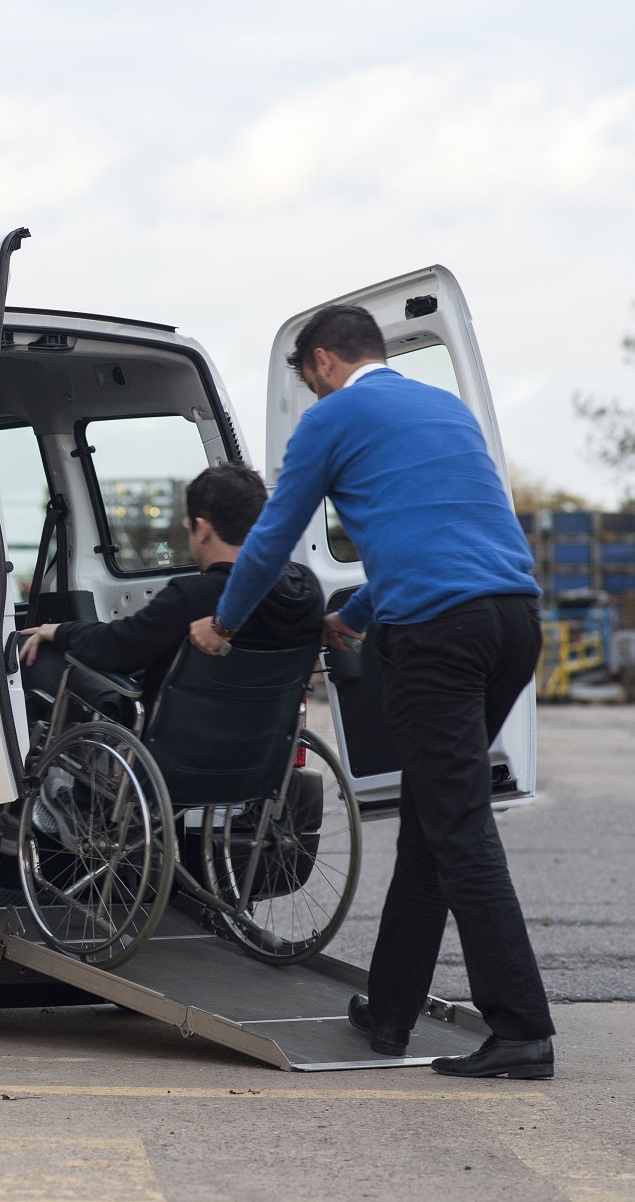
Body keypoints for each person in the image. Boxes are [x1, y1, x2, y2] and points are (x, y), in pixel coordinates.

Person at [189, 303, 554, 1080]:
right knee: (431, 824)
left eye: (310, 382)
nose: (315, 397)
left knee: (458, 831)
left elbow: (270, 539)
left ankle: (522, 1028)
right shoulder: (443, 407)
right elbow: (433, 533)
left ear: (320, 361)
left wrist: (223, 621)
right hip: (515, 620)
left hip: (440, 638)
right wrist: (349, 616)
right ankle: (390, 1011)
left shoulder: (332, 420)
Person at [17, 463, 321, 708]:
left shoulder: (193, 596)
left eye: (189, 527)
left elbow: (116, 646)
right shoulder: (304, 588)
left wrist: (57, 630)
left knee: (32, 653)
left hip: (175, 749)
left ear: (202, 529)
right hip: (261, 754)